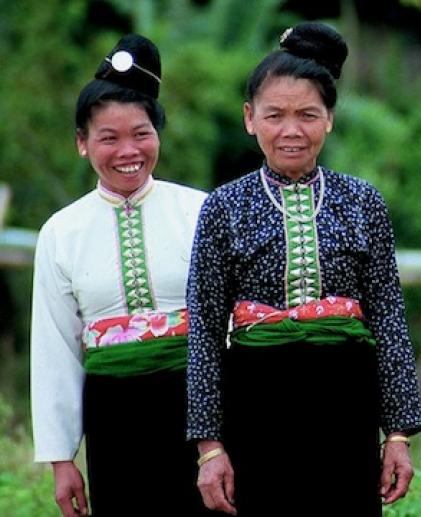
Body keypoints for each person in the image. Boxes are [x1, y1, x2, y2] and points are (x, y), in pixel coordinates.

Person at [186, 21, 421, 516]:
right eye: (274, 115)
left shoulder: (363, 202)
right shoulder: (224, 207)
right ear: (249, 118)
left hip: (344, 406)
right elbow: (205, 329)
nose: (291, 130)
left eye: (307, 115)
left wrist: (397, 434)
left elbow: (389, 320)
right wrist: (210, 447)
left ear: (330, 119)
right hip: (256, 404)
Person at [30, 34, 210, 516]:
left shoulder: (200, 212)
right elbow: (55, 348)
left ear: (158, 135)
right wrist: (61, 458)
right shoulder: (61, 232)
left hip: (199, 411)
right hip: (113, 415)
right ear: (82, 144)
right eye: (108, 138)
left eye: (141, 133)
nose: (128, 150)